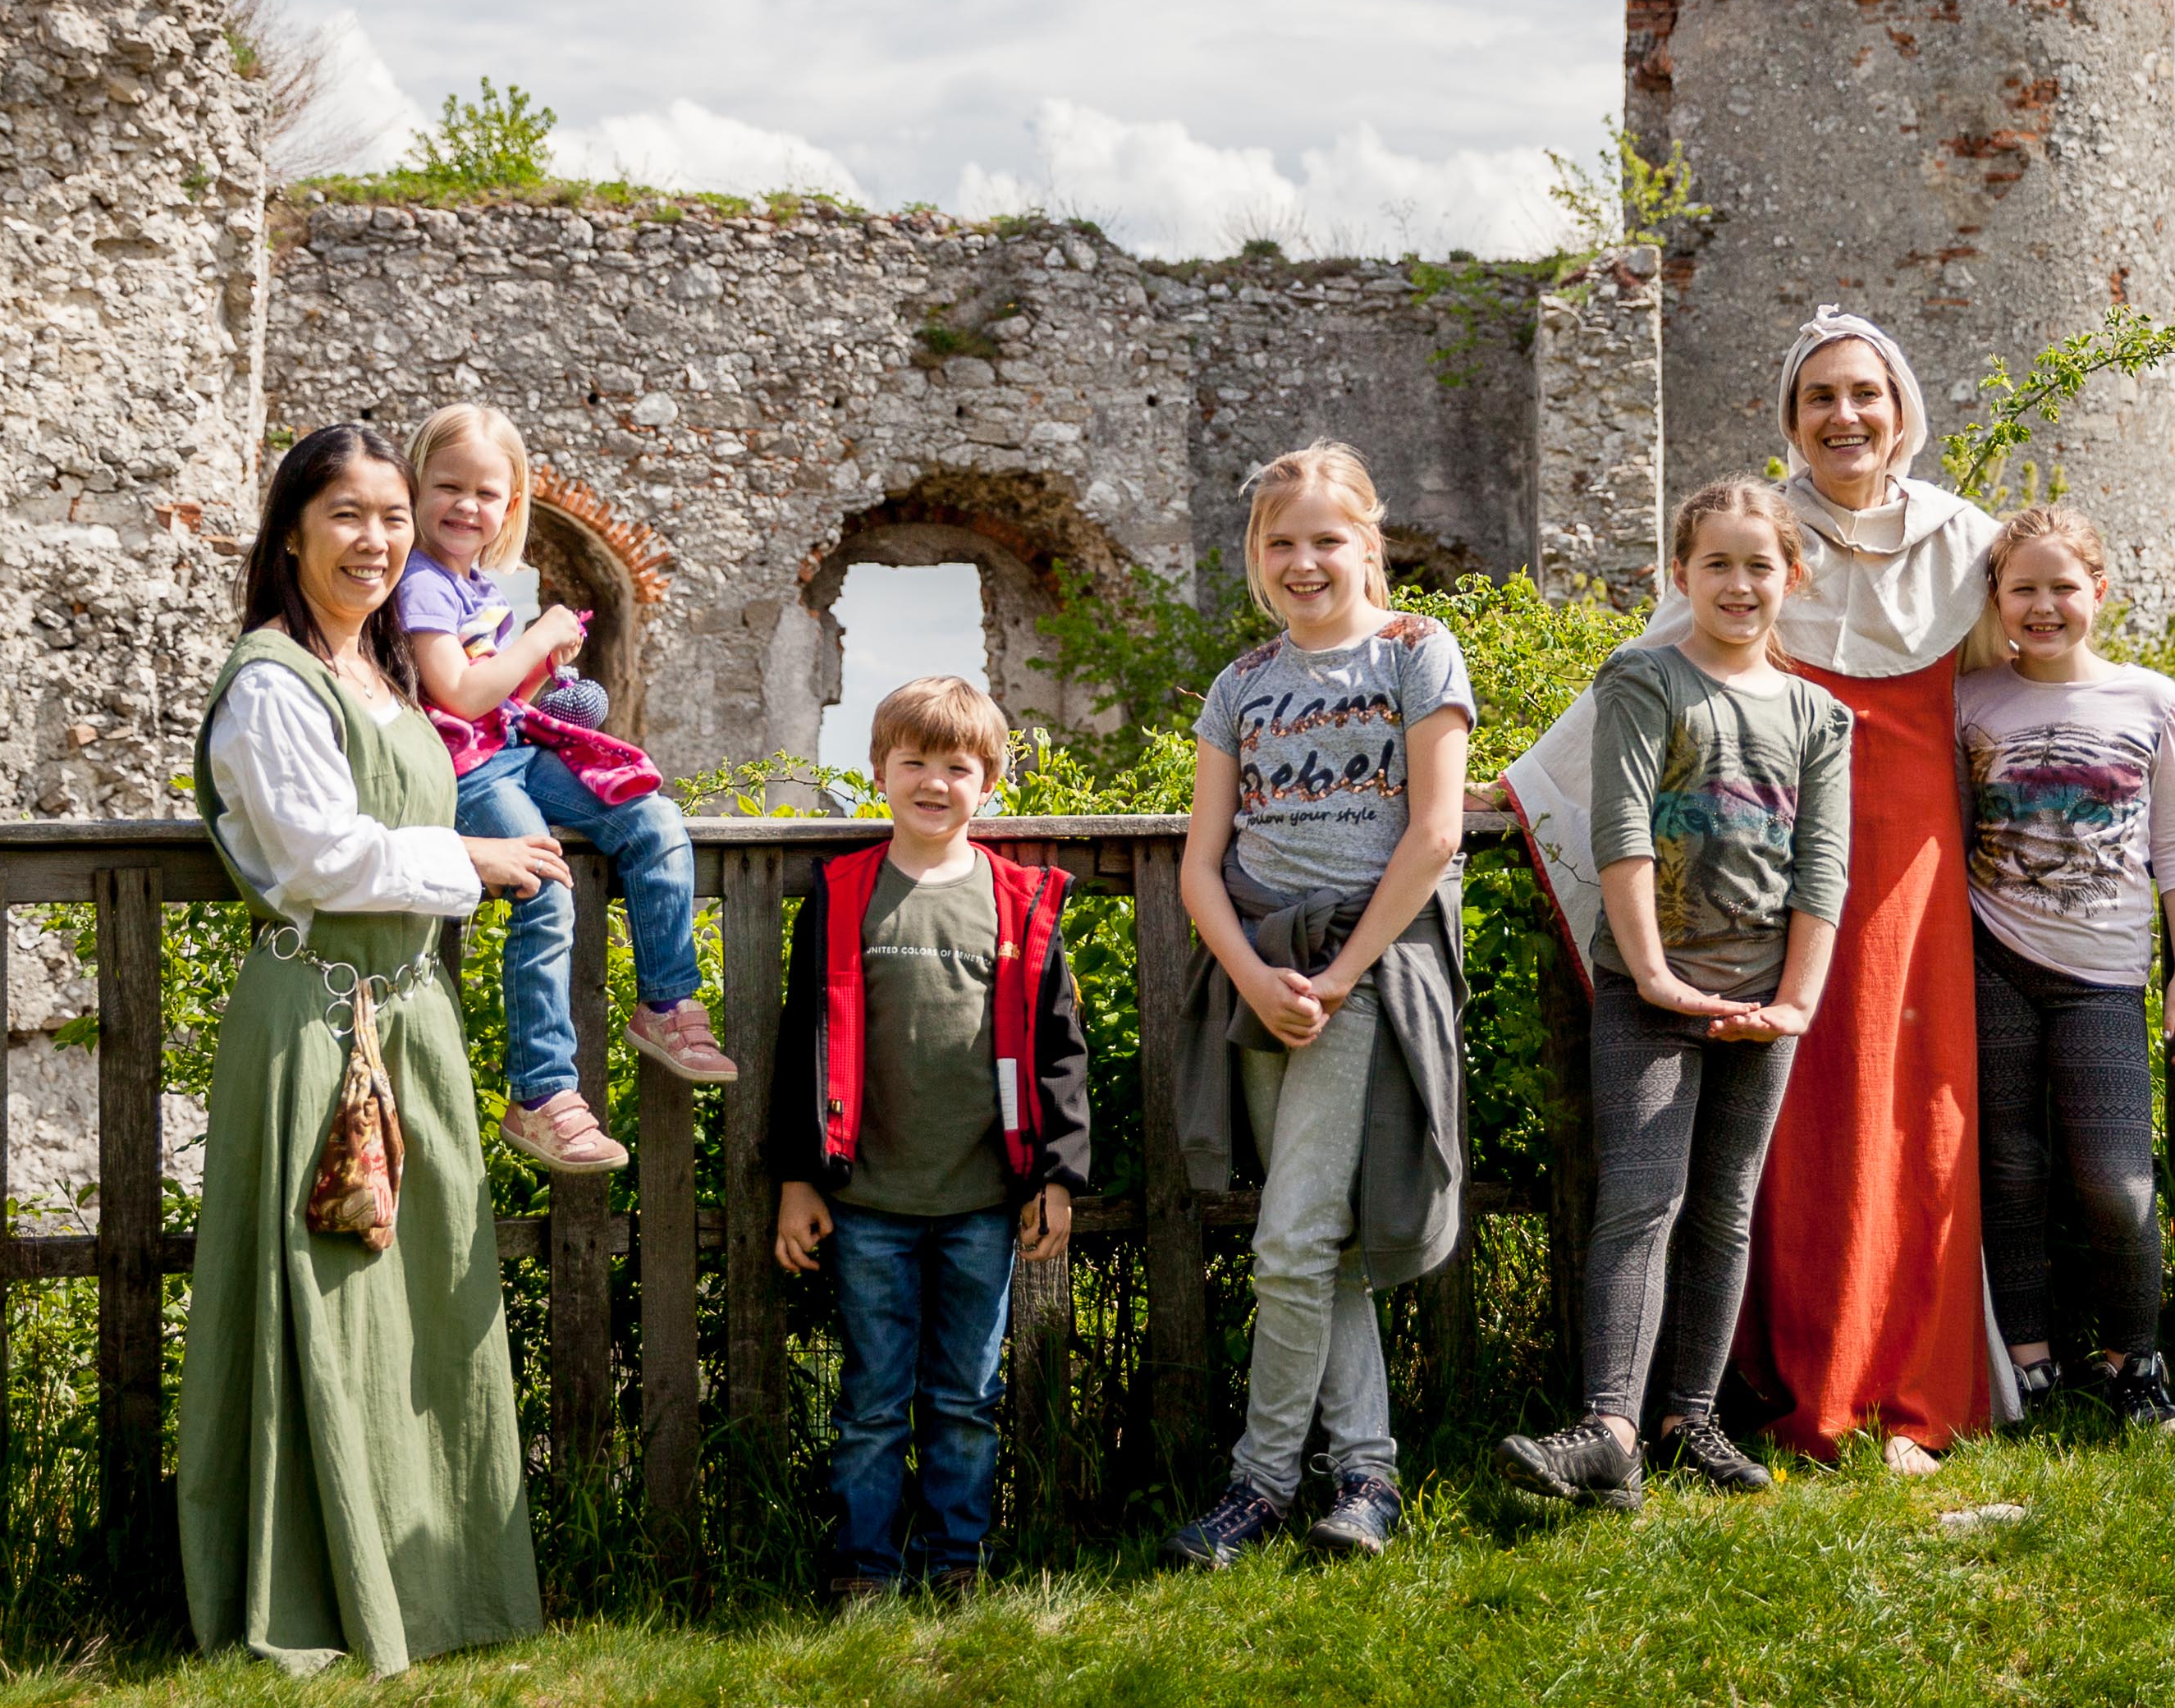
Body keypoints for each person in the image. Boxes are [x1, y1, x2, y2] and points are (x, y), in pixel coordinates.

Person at [176, 423, 561, 1673]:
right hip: (313, 1025)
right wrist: (477, 861)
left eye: (394, 516)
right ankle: (315, 1597)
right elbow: (318, 856)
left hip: (410, 1019)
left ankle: (438, 1584)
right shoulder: (272, 679)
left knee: (425, 1316)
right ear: (292, 528)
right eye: (348, 513)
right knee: (322, 1308)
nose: (377, 539)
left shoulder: (390, 670)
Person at [1503, 479, 1852, 1514]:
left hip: (1761, 1002)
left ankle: (1687, 1416)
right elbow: (1619, 832)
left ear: (1790, 578)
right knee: (1642, 1198)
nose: (1739, 584)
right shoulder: (1644, 679)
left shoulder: (1819, 714)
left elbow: (1821, 867)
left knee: (1725, 1209)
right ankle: (1609, 1427)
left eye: (1759, 565)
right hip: (1651, 988)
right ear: (1679, 575)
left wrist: (1794, 1003)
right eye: (1716, 565)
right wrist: (1653, 974)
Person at [1163, 443, 1475, 1568]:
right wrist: (1254, 975)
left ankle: (1256, 1485)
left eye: (1324, 538)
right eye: (1279, 541)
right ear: (1256, 554)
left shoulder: (1415, 652)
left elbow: (1434, 832)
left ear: (1367, 543)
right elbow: (1201, 862)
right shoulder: (1239, 681)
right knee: (1316, 1242)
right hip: (1260, 968)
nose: (1303, 560)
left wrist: (1337, 978)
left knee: (1290, 1239)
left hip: (1362, 964)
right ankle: (1366, 1474)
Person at [1724, 309, 2002, 1468]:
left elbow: (2048, 662)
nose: (1845, 415)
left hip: (1914, 869)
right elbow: (1656, 673)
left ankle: (1914, 1388)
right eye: (1820, 397)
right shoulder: (1755, 538)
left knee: (1915, 1109)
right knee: (1797, 1115)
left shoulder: (1965, 545)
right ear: (1792, 422)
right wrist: (1519, 782)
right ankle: (1794, 1384)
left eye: (1865, 393)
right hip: (1783, 866)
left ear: (1902, 412)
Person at [771, 676, 1088, 1602]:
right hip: (866, 1202)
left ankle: (958, 1564)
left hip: (982, 1203)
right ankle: (863, 1569)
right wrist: (798, 1178)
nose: (934, 781)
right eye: (914, 761)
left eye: (958, 765)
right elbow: (804, 1045)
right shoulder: (843, 896)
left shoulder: (1016, 901)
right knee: (871, 1402)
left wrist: (1056, 1176)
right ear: (879, 772)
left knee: (964, 1400)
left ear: (988, 782)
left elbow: (1060, 1045)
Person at [401, 404, 725, 1178]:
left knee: (652, 818)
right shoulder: (417, 582)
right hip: (468, 770)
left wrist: (547, 665)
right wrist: (539, 640)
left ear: (510, 505)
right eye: (448, 486)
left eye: (487, 493)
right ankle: (542, 1092)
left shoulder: (473, 583)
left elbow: (497, 692)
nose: (466, 506)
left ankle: (666, 1001)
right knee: (544, 882)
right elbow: (460, 691)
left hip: (512, 749)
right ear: (414, 486)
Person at [1953, 503, 2175, 1434]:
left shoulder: (2151, 699)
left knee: (2114, 1179)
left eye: (2063, 586)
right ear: (1997, 597)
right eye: (2022, 587)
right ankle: (2029, 1360)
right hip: (1993, 959)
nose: (2044, 604)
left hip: (2105, 972)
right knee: (2009, 1170)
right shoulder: (1971, 699)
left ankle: (2134, 1361)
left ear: (2099, 590)